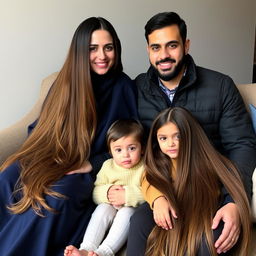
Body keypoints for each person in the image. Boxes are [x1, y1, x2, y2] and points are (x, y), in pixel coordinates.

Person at [0, 17, 138, 256]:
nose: (102, 56)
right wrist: (48, 157)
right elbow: (43, 127)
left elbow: (130, 144)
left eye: (108, 48)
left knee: (59, 194)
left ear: (116, 49)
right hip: (54, 156)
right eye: (92, 49)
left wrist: (89, 164)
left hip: (91, 171)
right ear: (80, 51)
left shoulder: (123, 87)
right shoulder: (65, 83)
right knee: (9, 175)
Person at [127, 11, 256, 255]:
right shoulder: (137, 89)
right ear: (148, 50)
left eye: (172, 45)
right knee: (138, 224)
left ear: (186, 45)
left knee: (213, 241)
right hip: (165, 189)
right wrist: (156, 198)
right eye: (156, 47)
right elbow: (131, 147)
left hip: (209, 191)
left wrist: (234, 202)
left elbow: (242, 146)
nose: (163, 55)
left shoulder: (220, 86)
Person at [143, 107, 251, 256]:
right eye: (163, 138)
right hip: (174, 218)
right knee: (138, 217)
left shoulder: (209, 161)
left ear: (189, 136)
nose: (171, 144)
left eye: (178, 136)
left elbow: (229, 182)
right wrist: (158, 199)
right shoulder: (158, 163)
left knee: (205, 241)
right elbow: (147, 178)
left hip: (201, 217)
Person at [64, 119, 145, 256]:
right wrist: (107, 192)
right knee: (102, 209)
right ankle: (86, 249)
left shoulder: (145, 167)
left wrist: (127, 196)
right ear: (111, 151)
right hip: (111, 206)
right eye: (118, 150)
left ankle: (104, 252)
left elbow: (150, 192)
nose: (125, 154)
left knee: (126, 213)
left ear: (142, 149)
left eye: (132, 148)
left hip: (132, 209)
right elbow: (96, 191)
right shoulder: (108, 165)